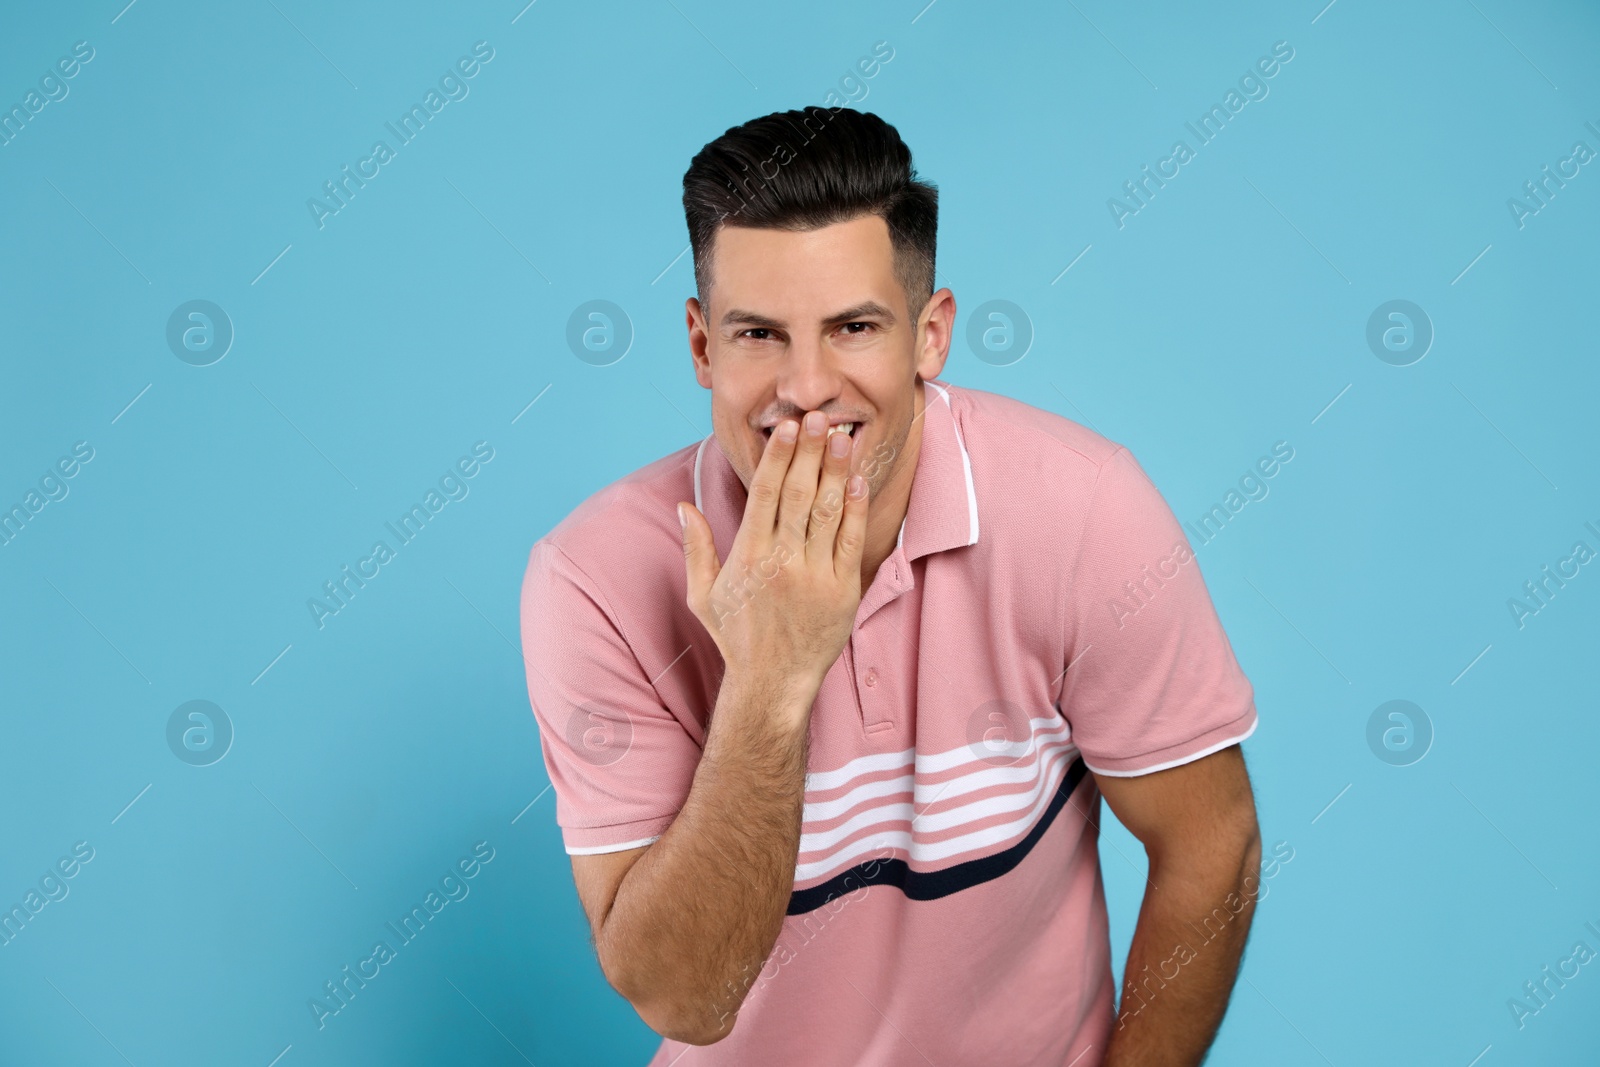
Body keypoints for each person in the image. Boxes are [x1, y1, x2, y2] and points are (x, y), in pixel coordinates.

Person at [519, 106, 1263, 1067]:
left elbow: (1214, 847)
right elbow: (684, 995)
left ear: (931, 334)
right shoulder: (593, 581)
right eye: (758, 334)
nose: (808, 387)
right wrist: (769, 686)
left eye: (854, 327)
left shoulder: (1083, 515)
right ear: (701, 345)